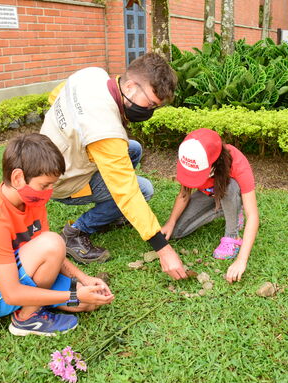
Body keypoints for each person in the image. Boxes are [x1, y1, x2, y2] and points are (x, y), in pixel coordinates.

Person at [40, 53, 188, 280]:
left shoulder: (92, 75)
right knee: (143, 189)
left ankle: (110, 212)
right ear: (130, 86)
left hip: (52, 157)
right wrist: (163, 249)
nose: (148, 111)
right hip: (63, 181)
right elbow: (126, 191)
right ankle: (76, 232)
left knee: (133, 148)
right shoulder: (105, 129)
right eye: (149, 104)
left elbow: (55, 96)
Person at [0, 134, 114, 336]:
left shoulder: (33, 201)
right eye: (44, 185)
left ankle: (31, 302)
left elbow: (52, 256)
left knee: (87, 303)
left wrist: (84, 279)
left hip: (21, 269)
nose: (49, 192)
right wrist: (73, 292)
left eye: (52, 185)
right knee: (53, 243)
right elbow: (12, 292)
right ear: (18, 178)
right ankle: (26, 318)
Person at [161, 129, 260, 283]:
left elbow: (252, 215)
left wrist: (242, 260)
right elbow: (184, 193)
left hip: (229, 192)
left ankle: (232, 234)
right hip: (208, 196)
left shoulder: (238, 163)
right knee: (177, 232)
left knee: (230, 186)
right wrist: (171, 222)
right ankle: (225, 210)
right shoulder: (189, 156)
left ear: (215, 163)